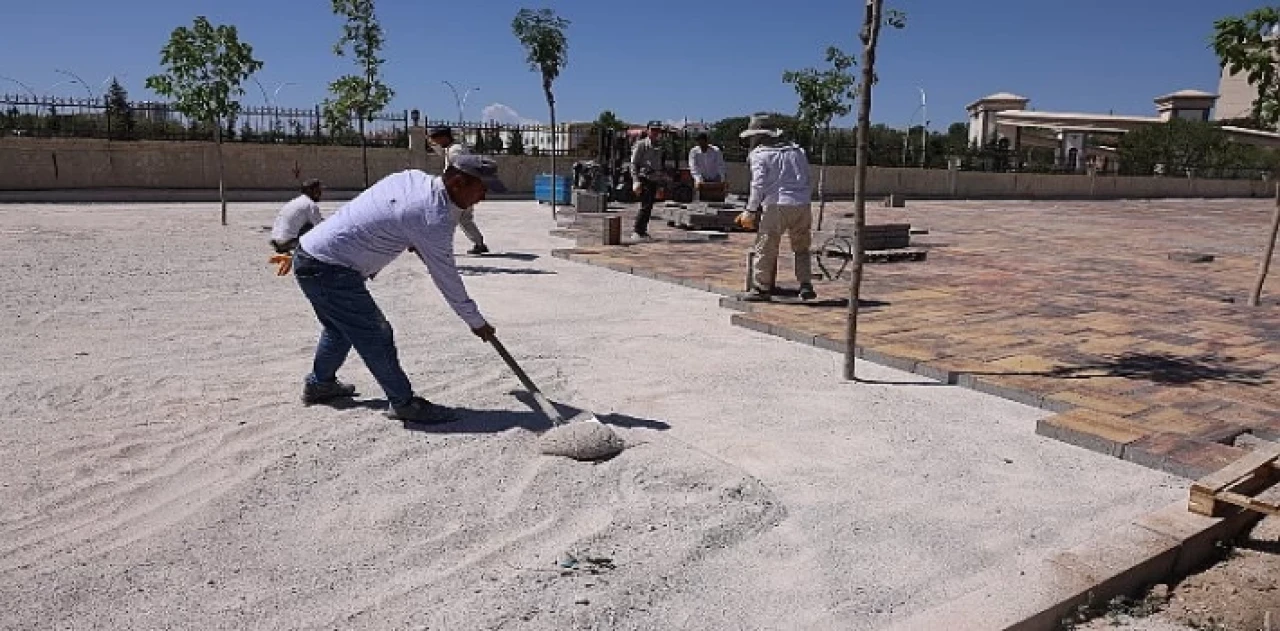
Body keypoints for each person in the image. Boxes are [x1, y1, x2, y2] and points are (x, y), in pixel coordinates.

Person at [292, 155, 502, 424]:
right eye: (482, 189)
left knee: (339, 329)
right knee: (376, 334)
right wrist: (476, 321)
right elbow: (446, 277)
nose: (483, 197)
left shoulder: (415, 178)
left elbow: (389, 209)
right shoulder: (432, 217)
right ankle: (403, 403)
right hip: (330, 268)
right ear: (459, 182)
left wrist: (409, 236)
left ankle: (319, 385)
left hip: (312, 254)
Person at [738, 113, 816, 302]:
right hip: (802, 204)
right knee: (802, 247)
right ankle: (805, 284)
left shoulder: (760, 154)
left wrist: (750, 210)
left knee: (765, 246)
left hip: (776, 204)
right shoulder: (797, 151)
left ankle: (760, 288)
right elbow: (807, 178)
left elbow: (758, 185)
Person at [429, 126, 490, 255]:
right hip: (467, 191)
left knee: (446, 219)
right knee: (465, 219)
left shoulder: (455, 150)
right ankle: (479, 243)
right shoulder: (455, 148)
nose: (437, 143)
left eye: (437, 140)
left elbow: (460, 170)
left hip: (460, 192)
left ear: (444, 137)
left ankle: (442, 248)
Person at [628, 124, 664, 242]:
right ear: (648, 131)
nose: (655, 132)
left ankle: (642, 231)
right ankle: (637, 231)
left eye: (657, 130)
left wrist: (659, 184)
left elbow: (659, 166)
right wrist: (635, 180)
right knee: (645, 205)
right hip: (644, 177)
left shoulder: (658, 147)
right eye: (653, 130)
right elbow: (634, 163)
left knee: (649, 206)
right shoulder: (641, 145)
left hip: (654, 178)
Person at [269, 179, 324, 254]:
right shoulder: (310, 205)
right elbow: (320, 227)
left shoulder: (296, 201)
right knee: (315, 230)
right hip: (287, 243)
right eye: (318, 190)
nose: (320, 193)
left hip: (276, 240)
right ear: (310, 191)